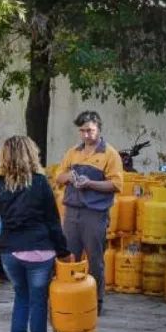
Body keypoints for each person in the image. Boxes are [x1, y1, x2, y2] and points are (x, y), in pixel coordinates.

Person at [0, 135, 70, 332]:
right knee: (38, 302)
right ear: (31, 155)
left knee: (21, 297)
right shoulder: (40, 183)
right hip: (40, 250)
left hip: (11, 251)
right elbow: (53, 222)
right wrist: (63, 252)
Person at [55, 110, 124, 317]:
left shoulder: (109, 154)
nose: (86, 135)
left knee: (95, 259)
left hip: (95, 213)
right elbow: (58, 176)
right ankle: (70, 297)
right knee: (69, 257)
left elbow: (117, 184)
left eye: (91, 130)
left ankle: (96, 301)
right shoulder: (73, 152)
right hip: (72, 212)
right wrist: (69, 177)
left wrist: (90, 183)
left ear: (99, 129)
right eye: (83, 131)